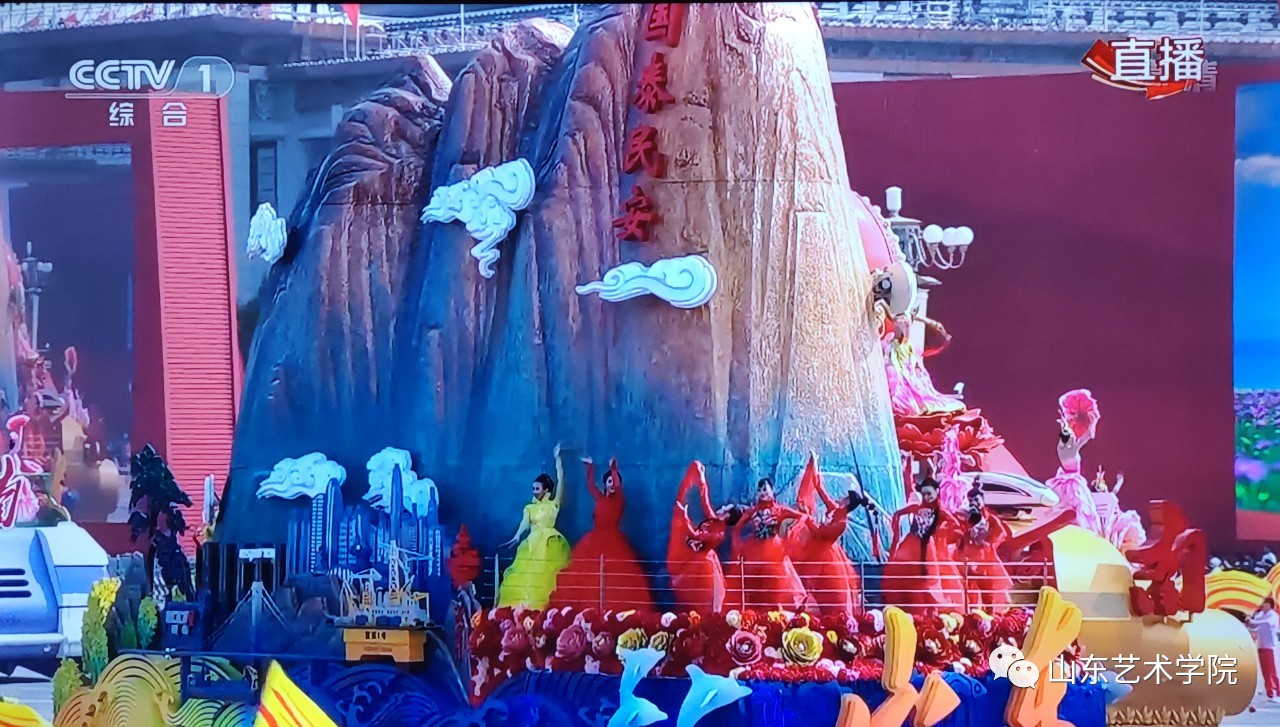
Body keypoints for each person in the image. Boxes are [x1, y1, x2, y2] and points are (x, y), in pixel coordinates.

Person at [552, 457, 654, 611]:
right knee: (589, 576)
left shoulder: (619, 500)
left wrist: (613, 468)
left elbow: (617, 486)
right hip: (594, 541)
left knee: (613, 577)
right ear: (605, 483)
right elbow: (591, 485)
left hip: (613, 542)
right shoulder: (600, 498)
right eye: (609, 481)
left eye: (614, 482)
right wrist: (590, 467)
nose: (612, 484)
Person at [496, 446, 572, 609]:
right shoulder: (529, 508)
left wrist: (558, 460)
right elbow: (524, 524)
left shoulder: (553, 505)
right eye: (533, 489)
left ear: (546, 490)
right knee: (528, 578)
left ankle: (543, 611)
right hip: (532, 545)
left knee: (548, 578)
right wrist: (516, 537)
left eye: (537, 488)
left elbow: (561, 482)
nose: (534, 491)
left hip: (550, 544)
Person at [788, 456, 863, 617]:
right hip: (815, 547)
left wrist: (807, 519)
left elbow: (820, 533)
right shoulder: (835, 509)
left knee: (820, 582)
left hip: (825, 554)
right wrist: (814, 468)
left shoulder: (842, 523)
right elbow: (821, 491)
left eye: (845, 497)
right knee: (806, 577)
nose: (841, 497)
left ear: (847, 502)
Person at [727, 478, 812, 611]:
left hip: (774, 552)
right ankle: (755, 614)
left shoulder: (779, 509)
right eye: (760, 490)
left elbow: (803, 517)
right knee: (755, 586)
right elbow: (737, 529)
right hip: (754, 553)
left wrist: (790, 532)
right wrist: (737, 547)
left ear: (772, 490)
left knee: (776, 584)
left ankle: (778, 613)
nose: (762, 493)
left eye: (765, 489)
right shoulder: (752, 511)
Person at [667, 461, 741, 614]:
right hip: (696, 558)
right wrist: (702, 482)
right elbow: (705, 503)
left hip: (703, 566)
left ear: (727, 516)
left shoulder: (719, 533)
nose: (721, 507)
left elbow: (697, 536)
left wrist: (684, 517)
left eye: (725, 508)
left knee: (702, 598)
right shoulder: (714, 519)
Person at [882, 477, 964, 612]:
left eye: (929, 494)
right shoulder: (916, 507)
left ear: (937, 491)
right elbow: (897, 514)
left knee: (927, 577)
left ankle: (927, 608)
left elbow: (955, 525)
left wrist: (940, 533)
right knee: (908, 575)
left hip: (928, 548)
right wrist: (896, 535)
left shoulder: (941, 512)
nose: (926, 497)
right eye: (924, 494)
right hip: (911, 545)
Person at [879, 306, 966, 419]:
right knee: (901, 384)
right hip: (897, 351)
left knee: (916, 381)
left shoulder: (907, 317)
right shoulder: (893, 322)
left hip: (905, 350)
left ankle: (922, 402)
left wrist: (929, 322)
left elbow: (928, 323)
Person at [951, 485, 1013, 612]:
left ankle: (990, 613)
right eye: (971, 501)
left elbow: (1001, 533)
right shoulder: (966, 517)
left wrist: (989, 543)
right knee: (970, 588)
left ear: (983, 500)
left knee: (988, 589)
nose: (974, 503)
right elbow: (959, 533)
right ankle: (972, 614)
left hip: (985, 559)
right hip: (968, 557)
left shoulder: (990, 518)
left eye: (976, 500)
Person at [1249, 598, 1280, 702]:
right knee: (1265, 672)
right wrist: (1248, 623)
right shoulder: (1259, 615)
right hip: (1261, 646)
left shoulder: (1273, 615)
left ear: (1270, 605)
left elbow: (1267, 623)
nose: (1263, 605)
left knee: (1272, 671)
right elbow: (1255, 627)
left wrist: (1254, 621)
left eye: (1265, 603)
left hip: (1270, 647)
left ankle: (1277, 692)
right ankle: (1269, 693)